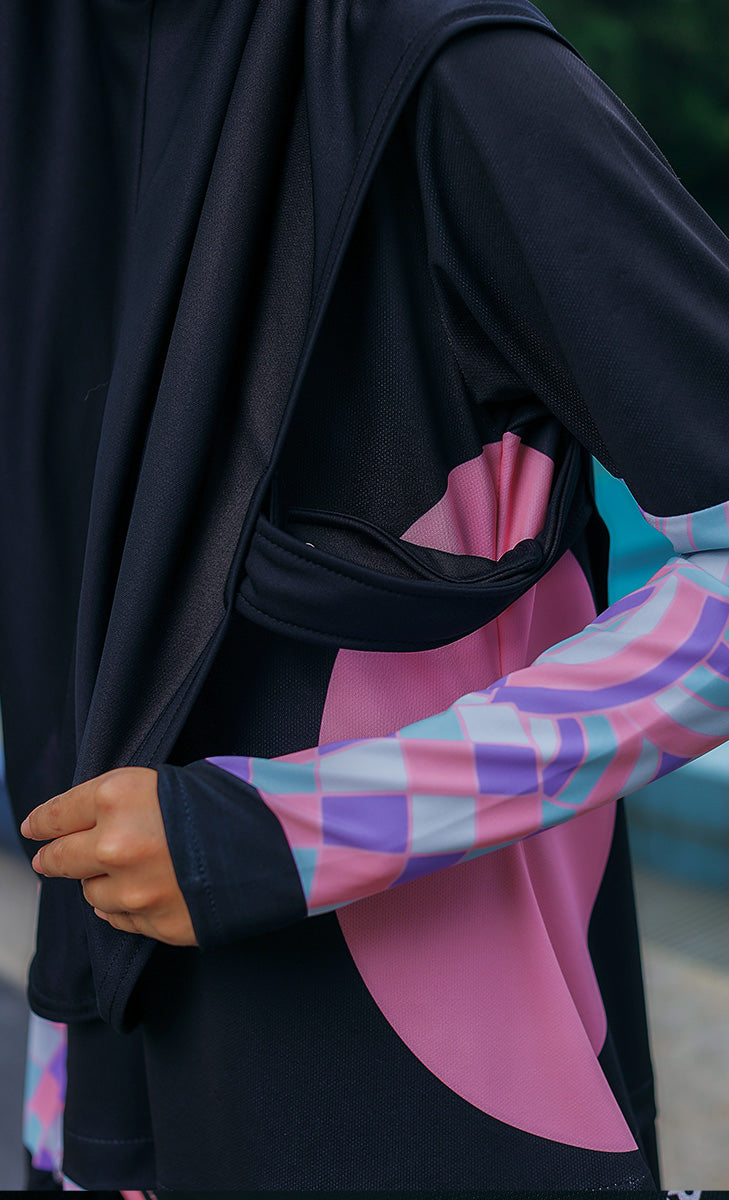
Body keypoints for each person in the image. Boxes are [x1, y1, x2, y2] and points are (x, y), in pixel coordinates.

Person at [4, 0, 729, 1190]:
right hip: (105, 1059)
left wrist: (298, 830)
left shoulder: (453, 82)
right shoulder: (50, 100)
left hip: (429, 1082)